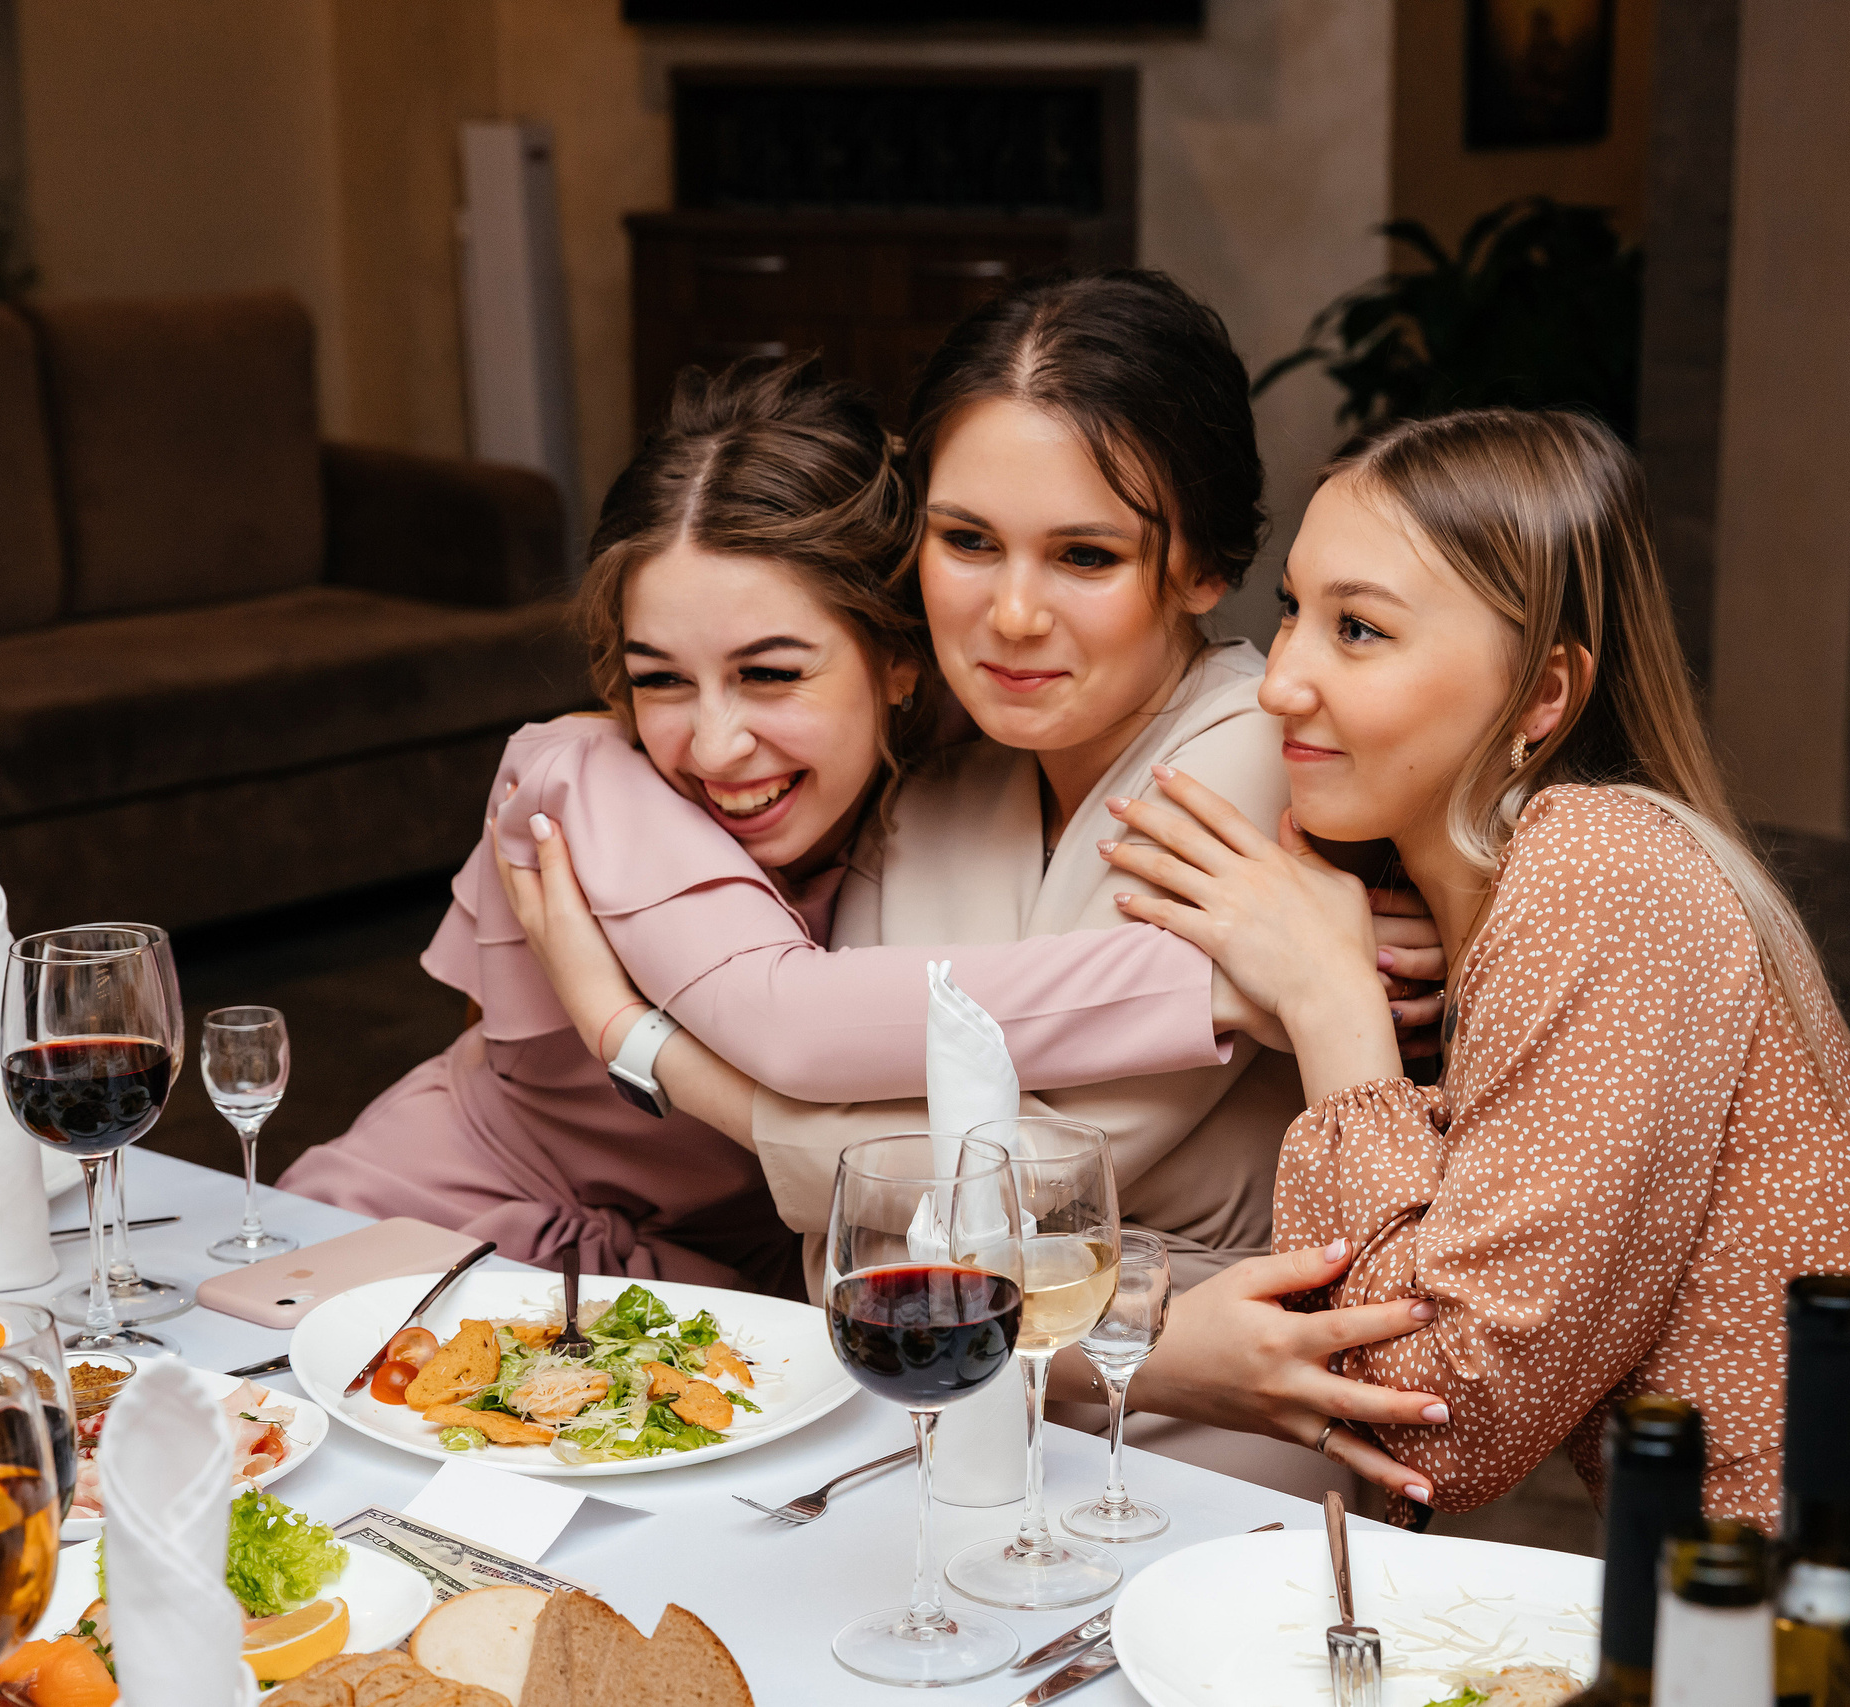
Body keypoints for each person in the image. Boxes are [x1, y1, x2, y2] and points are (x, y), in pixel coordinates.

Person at [498, 271, 1454, 1504]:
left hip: (1224, 1413)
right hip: (965, 1385)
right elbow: (866, 1248)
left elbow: (974, 1201)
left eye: (1085, 555)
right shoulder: (937, 787)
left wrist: (641, 1040)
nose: (1008, 614)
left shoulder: (1263, 774)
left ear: (1205, 568)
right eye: (965, 542)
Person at [282, 356, 1334, 1300]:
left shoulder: (937, 788)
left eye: (771, 674)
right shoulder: (587, 783)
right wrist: (1237, 981)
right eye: (660, 681)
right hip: (434, 1229)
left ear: (896, 662)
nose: (714, 745)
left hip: (717, 1292)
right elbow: (794, 1022)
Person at [1093, 407, 1850, 1522]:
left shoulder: (1604, 871)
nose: (1280, 681)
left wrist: (1331, 1000)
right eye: (1293, 611)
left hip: (1826, 1628)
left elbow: (1436, 1416)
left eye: (1360, 632)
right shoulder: (1510, 890)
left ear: (1541, 694)